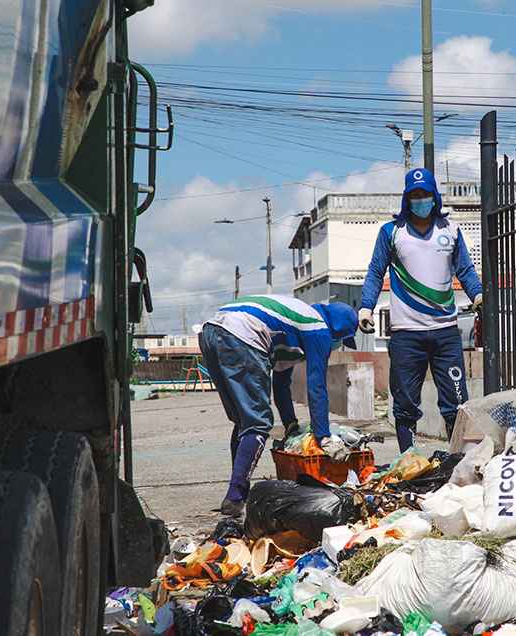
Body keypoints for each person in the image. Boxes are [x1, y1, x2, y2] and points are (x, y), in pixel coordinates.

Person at [199, 294, 358, 516]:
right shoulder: (318, 329)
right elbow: (317, 387)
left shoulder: (294, 326)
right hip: (242, 334)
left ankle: (236, 494)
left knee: (244, 422)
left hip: (212, 330)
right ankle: (235, 498)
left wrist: (291, 425)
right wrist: (323, 437)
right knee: (257, 424)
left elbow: (281, 384)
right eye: (341, 340)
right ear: (338, 331)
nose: (338, 345)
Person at [359, 168, 483, 452]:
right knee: (404, 405)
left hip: (445, 333)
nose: (421, 200)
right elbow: (376, 272)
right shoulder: (392, 232)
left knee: (455, 402)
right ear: (406, 198)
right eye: (414, 195)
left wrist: (477, 295)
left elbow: (464, 269)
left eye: (425, 194)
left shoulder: (450, 230)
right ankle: (408, 460)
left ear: (434, 196)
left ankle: (456, 462)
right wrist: (366, 307)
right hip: (406, 335)